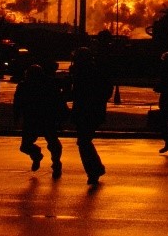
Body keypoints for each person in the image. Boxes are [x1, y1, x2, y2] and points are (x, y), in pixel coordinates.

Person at [13, 62, 68, 179]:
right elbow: (18, 102)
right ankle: (37, 155)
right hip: (34, 118)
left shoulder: (46, 84)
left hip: (45, 117)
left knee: (53, 143)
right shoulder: (27, 86)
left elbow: (58, 100)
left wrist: (17, 115)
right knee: (26, 146)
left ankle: (56, 162)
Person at [69, 47, 113, 185]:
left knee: (83, 142)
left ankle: (94, 170)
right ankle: (95, 169)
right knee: (84, 141)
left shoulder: (83, 73)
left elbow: (77, 94)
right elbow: (107, 90)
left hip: (86, 111)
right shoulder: (96, 71)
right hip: (94, 111)